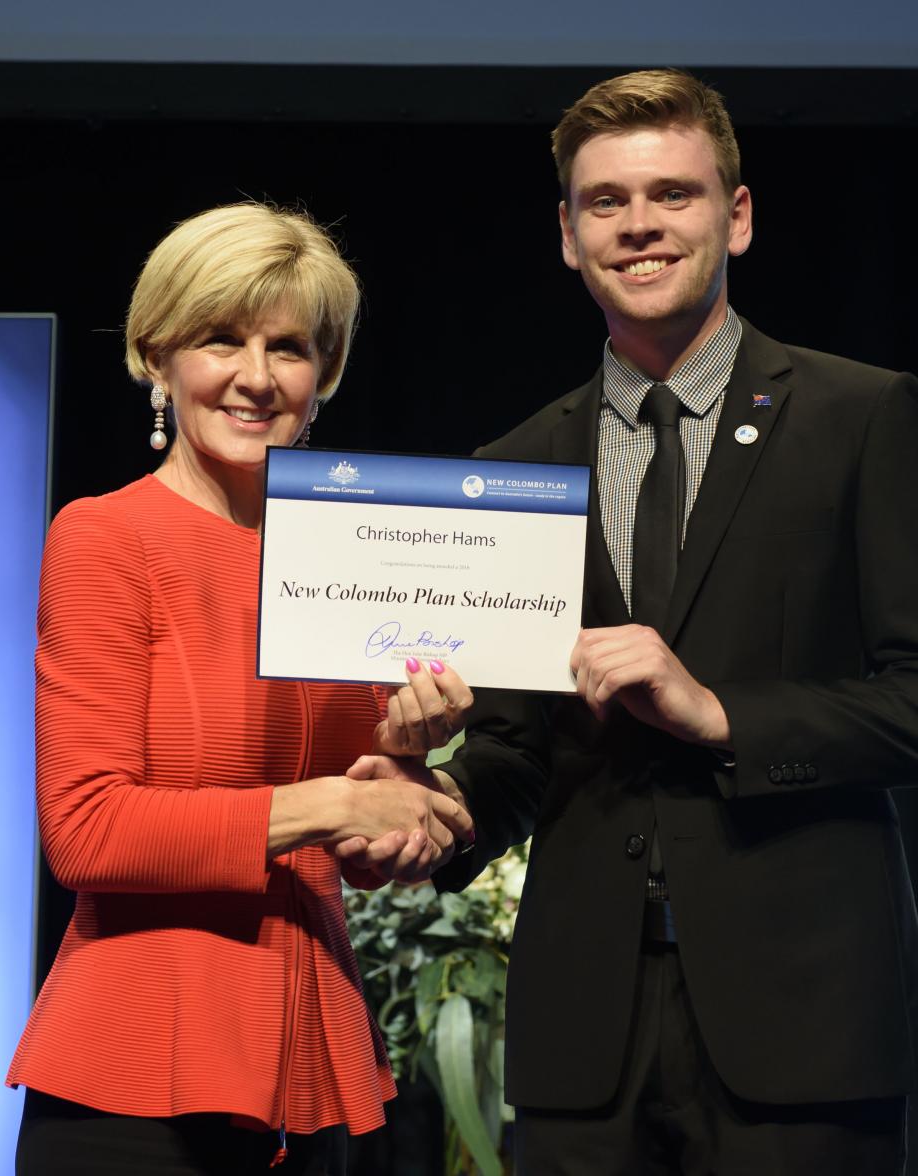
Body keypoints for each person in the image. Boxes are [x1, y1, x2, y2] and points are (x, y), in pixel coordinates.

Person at [387, 69, 918, 1173]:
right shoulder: (517, 465)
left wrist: (721, 714)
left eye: (672, 194)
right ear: (569, 238)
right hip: (586, 1037)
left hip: (803, 1026)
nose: (639, 225)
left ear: (737, 215)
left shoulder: (863, 416)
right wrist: (436, 805)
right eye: (606, 203)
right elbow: (520, 753)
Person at [6, 202, 473, 1176]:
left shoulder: (351, 553)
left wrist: (407, 787)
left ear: (325, 374)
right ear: (156, 357)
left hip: (317, 1067)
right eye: (222, 339)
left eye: (290, 348)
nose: (257, 377)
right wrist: (337, 802)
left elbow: (360, 849)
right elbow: (86, 831)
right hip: (138, 1078)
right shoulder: (104, 538)